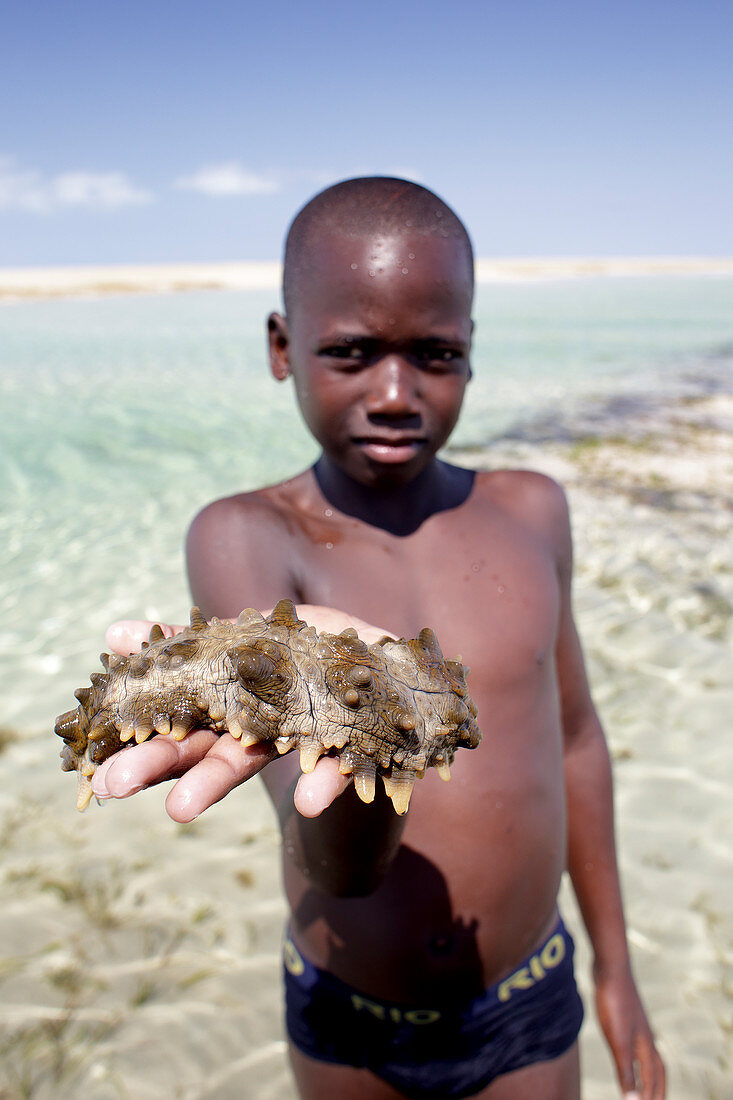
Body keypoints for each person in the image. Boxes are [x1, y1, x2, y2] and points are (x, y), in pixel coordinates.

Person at [93, 178, 665, 1099]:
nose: (395, 393)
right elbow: (334, 863)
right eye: (352, 352)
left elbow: (576, 742)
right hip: (350, 1019)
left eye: (434, 353)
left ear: (473, 353)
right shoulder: (243, 538)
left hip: (526, 995)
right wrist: (367, 730)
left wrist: (615, 970)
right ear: (282, 348)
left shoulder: (532, 511)